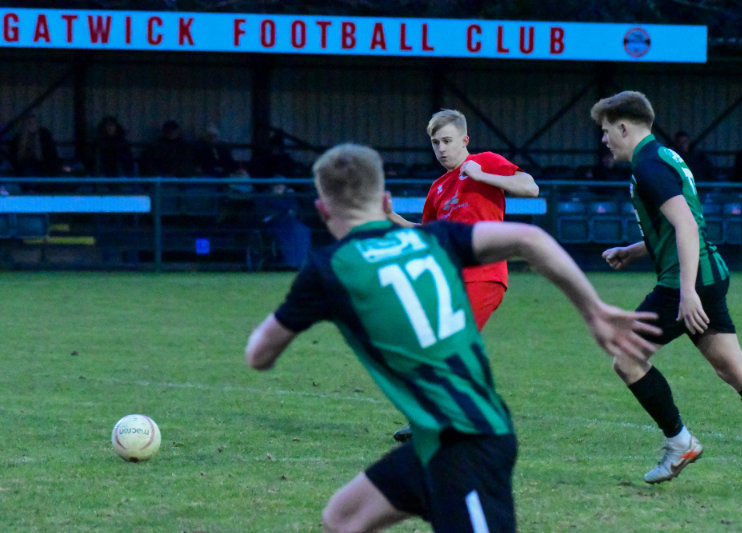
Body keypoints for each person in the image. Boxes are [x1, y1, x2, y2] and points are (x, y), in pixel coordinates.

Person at [245, 142, 661, 532]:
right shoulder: (434, 240)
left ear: (322, 209)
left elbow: (258, 355)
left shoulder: (327, 268)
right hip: (432, 445)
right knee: (342, 517)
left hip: (470, 444)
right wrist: (593, 310)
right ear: (386, 202)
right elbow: (529, 237)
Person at [590, 90, 742, 488]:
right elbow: (679, 224)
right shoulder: (664, 156)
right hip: (708, 272)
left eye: (606, 130)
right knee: (731, 366)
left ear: (624, 127)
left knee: (626, 358)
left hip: (684, 282)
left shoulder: (648, 166)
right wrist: (634, 251)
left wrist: (687, 292)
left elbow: (686, 225)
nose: (604, 139)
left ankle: (680, 443)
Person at [387, 109, 539, 442]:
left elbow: (530, 188)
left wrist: (484, 176)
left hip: (484, 273)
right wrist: (393, 218)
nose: (441, 148)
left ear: (465, 140)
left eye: (447, 141)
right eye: (435, 142)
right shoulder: (438, 188)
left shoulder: (485, 162)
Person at [9, 113, 62, 189]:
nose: (33, 125)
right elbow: (15, 156)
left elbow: (51, 153)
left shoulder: (44, 135)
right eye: (30, 123)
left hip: (45, 166)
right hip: (26, 167)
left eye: (35, 123)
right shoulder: (19, 138)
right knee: (28, 173)